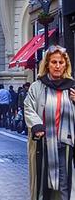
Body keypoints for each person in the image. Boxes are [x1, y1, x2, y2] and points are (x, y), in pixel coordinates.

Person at [24, 45, 75, 200]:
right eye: (54, 62)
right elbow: (28, 107)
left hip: (66, 144)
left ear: (66, 64)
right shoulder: (37, 87)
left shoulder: (71, 88)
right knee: (42, 183)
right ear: (47, 64)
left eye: (61, 62)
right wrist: (37, 125)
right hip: (43, 143)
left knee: (66, 184)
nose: (57, 66)